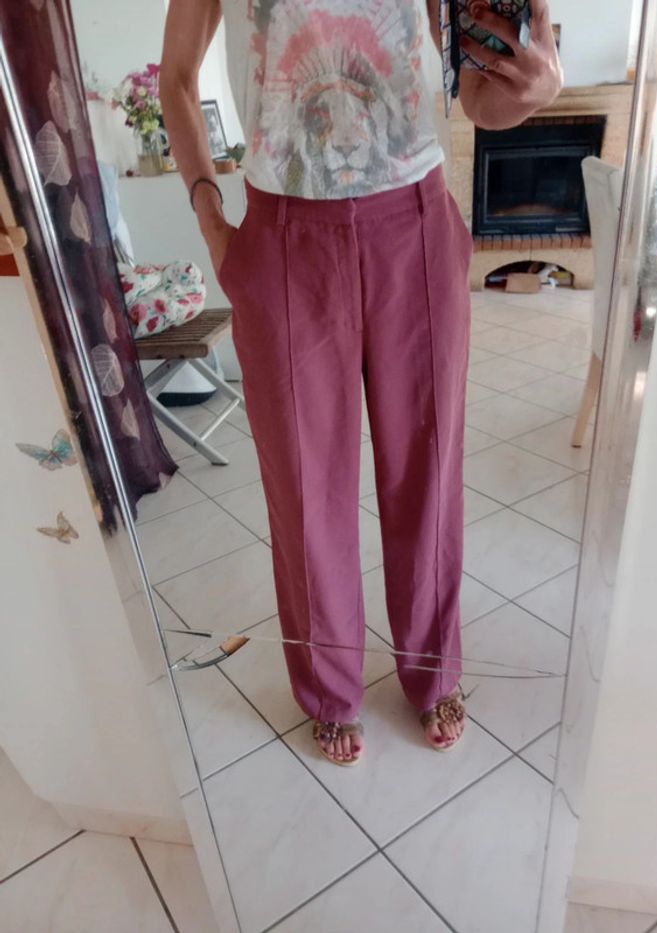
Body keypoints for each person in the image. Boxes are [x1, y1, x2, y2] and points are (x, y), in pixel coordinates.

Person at [160, 0, 562, 767]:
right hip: (285, 232)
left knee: (427, 471)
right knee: (305, 485)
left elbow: (477, 96)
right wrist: (211, 217)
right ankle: (328, 684)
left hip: (413, 223)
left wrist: (535, 90)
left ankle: (432, 668)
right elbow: (176, 76)